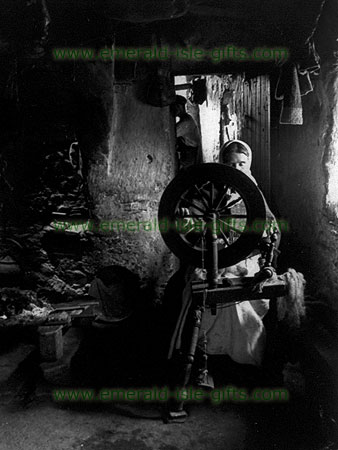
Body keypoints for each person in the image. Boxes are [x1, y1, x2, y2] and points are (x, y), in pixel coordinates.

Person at [165, 140, 280, 384]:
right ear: (222, 165)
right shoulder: (207, 193)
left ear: (249, 166)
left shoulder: (253, 197)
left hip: (246, 261)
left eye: (242, 164)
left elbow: (272, 233)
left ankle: (240, 366)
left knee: (241, 304)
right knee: (196, 291)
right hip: (208, 259)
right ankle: (205, 365)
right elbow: (187, 226)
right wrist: (186, 219)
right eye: (230, 164)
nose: (237, 168)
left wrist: (268, 264)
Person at [173, 95, 203, 169]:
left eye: (176, 107)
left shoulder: (186, 122)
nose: (174, 109)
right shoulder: (187, 118)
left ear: (180, 107)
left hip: (190, 152)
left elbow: (172, 134)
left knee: (186, 171)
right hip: (189, 149)